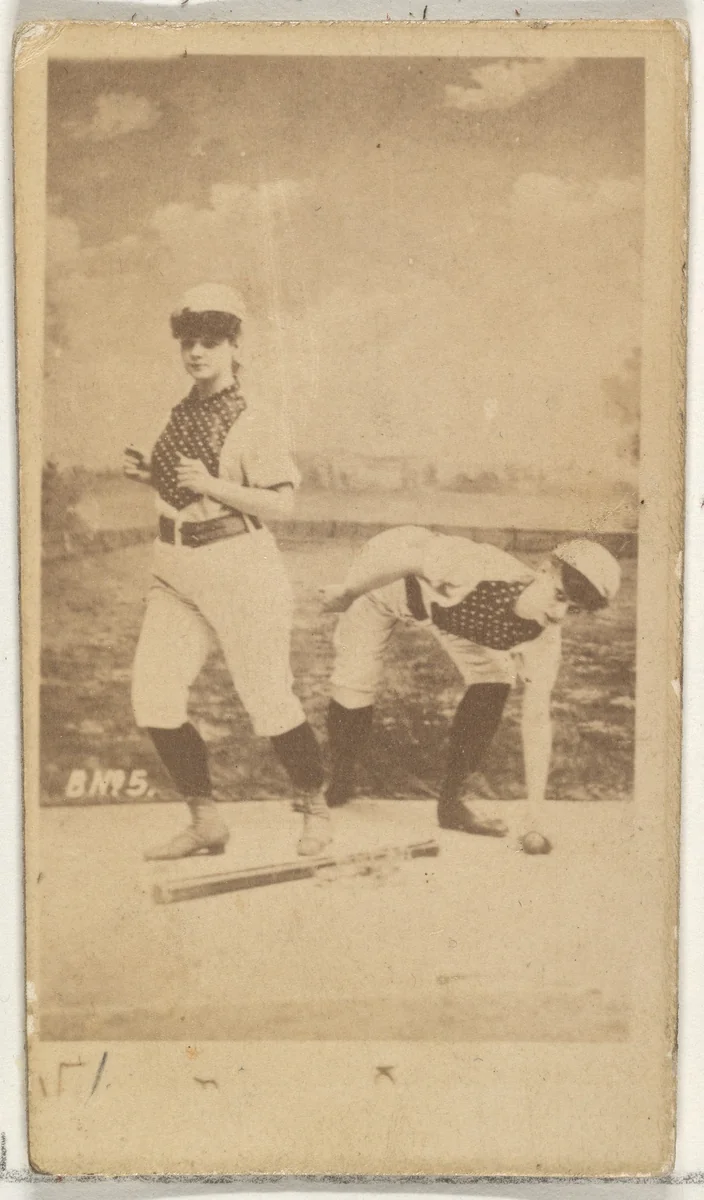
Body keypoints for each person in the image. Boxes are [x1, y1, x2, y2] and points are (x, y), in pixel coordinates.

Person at [123, 283, 330, 860]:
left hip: (240, 570)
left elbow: (283, 503)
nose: (196, 353)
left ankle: (315, 810)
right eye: (188, 342)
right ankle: (206, 821)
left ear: (235, 346)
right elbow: (183, 484)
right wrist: (152, 477)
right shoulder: (180, 410)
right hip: (175, 572)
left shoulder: (255, 417)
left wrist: (209, 484)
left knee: (268, 698)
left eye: (210, 342)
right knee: (154, 697)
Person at [319, 525, 621, 838]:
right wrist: (349, 591)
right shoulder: (480, 567)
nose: (559, 614)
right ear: (543, 570)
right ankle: (339, 780)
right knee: (354, 683)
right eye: (559, 595)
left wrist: (536, 814)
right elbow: (407, 560)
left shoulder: (544, 638)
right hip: (386, 578)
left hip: (441, 611)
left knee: (495, 679)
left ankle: (451, 804)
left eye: (572, 608)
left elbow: (537, 719)